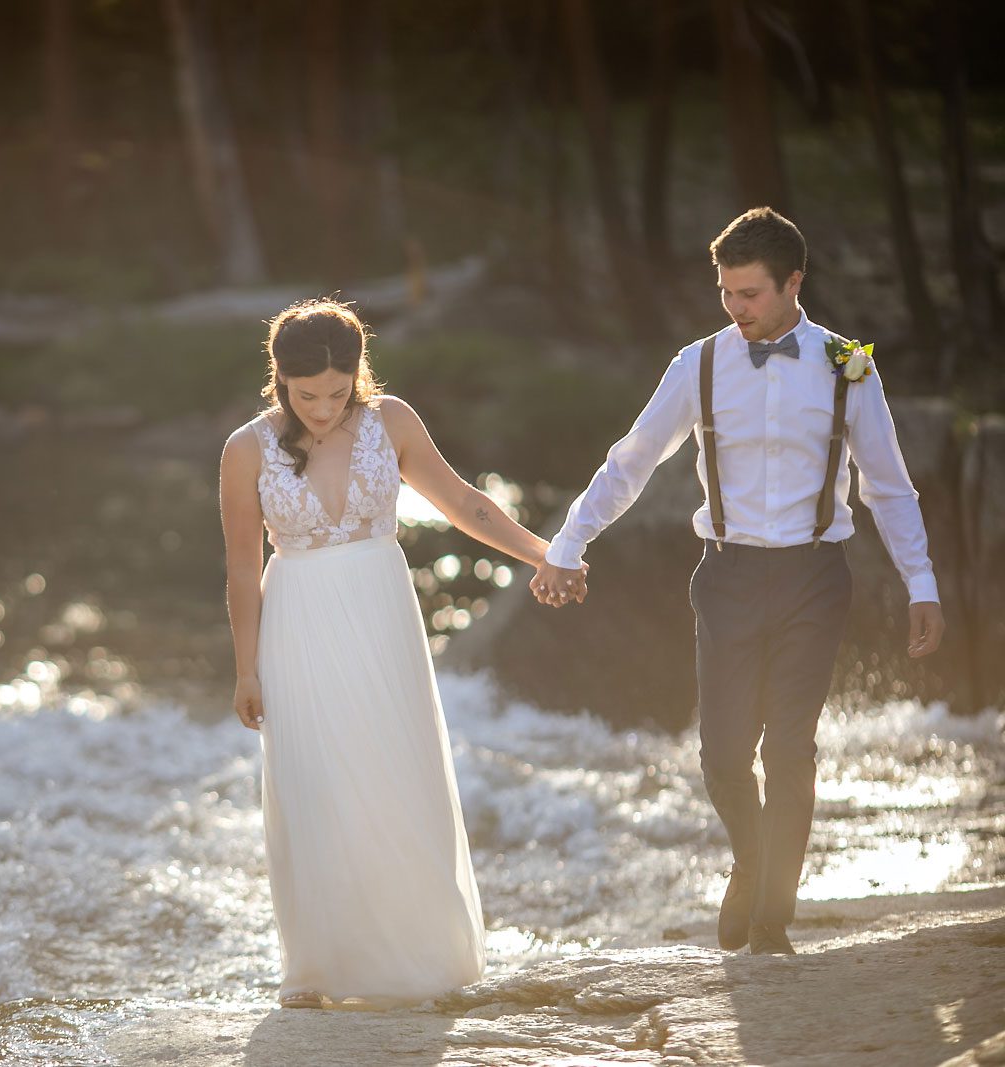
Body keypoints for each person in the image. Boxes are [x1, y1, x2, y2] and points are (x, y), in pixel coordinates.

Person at [531, 207, 945, 956]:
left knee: (791, 746)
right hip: (725, 577)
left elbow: (887, 484)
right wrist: (569, 540)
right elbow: (633, 460)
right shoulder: (698, 363)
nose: (735, 307)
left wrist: (922, 582)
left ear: (794, 283)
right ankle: (752, 860)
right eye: (726, 292)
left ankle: (772, 919)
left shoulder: (850, 362)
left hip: (815, 578)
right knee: (722, 754)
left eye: (749, 293)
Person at [218, 298, 572, 1008]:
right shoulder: (246, 448)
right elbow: (237, 572)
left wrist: (546, 554)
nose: (322, 407)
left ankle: (420, 959)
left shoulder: (393, 422)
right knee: (316, 784)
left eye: (337, 390)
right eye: (305, 393)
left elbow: (465, 503)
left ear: (358, 373)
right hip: (298, 623)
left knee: (394, 772)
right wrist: (247, 669)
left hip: (382, 615)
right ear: (279, 378)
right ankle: (321, 967)